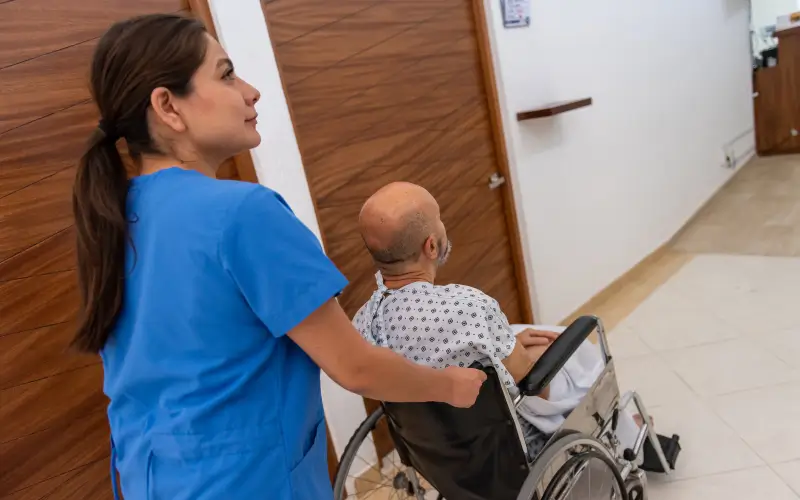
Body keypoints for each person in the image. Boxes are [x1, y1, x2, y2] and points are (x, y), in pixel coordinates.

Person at [71, 14, 486, 500]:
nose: (251, 92)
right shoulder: (243, 214)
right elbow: (356, 368)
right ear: (168, 106)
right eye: (226, 75)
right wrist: (451, 385)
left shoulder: (116, 216)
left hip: (147, 479)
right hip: (246, 483)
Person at [352, 182, 641, 456]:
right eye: (439, 219)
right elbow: (532, 380)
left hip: (438, 450)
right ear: (431, 246)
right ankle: (626, 435)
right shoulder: (468, 306)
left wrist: (507, 341)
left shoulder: (362, 324)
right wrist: (523, 352)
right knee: (569, 349)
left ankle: (626, 427)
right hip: (510, 443)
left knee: (526, 337)